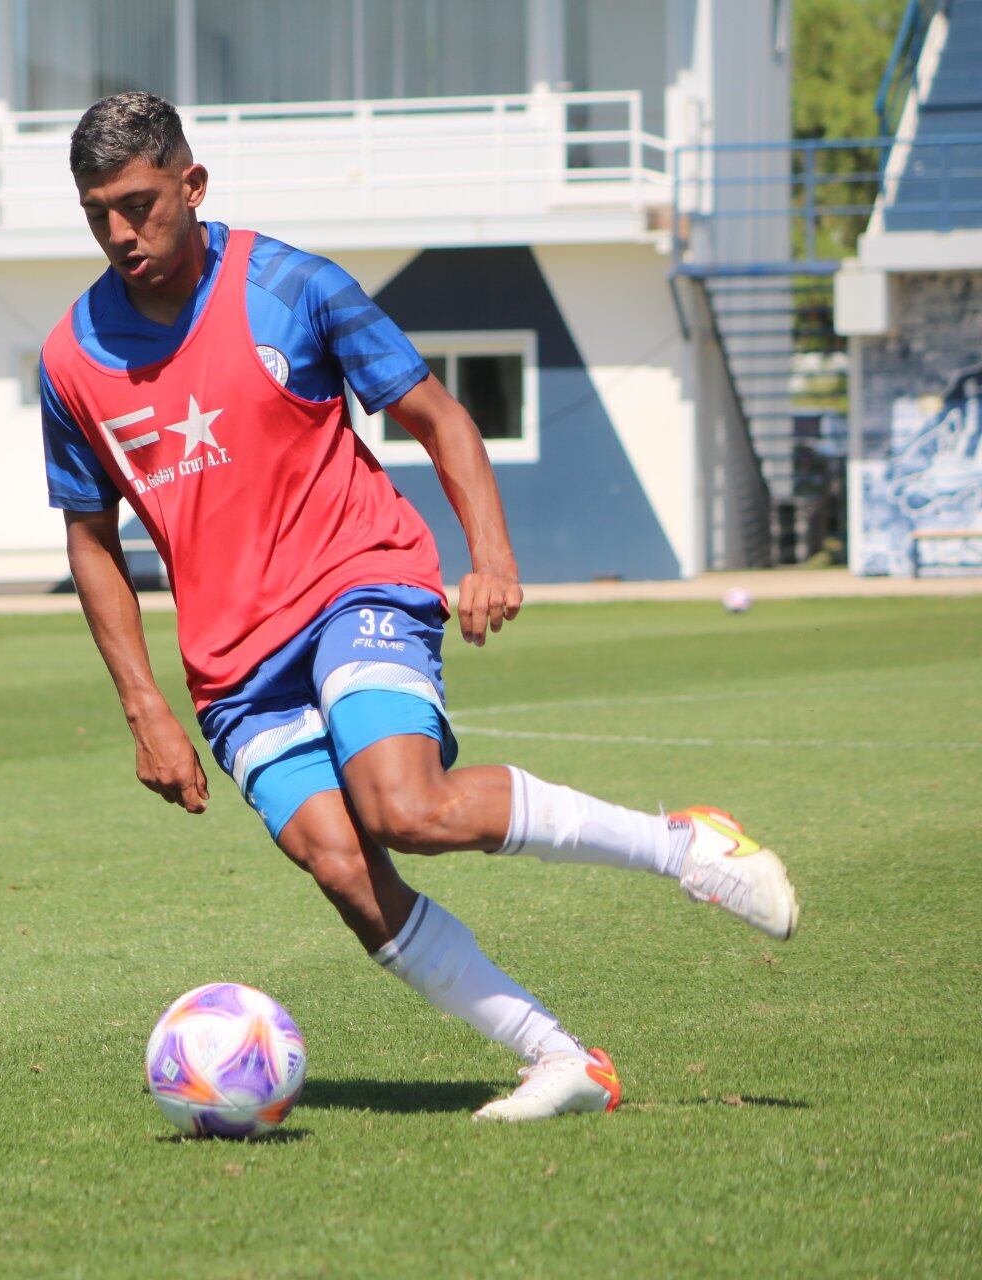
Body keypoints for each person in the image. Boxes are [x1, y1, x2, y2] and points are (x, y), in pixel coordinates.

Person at [40, 93, 800, 1122]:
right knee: (346, 869)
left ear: (192, 183)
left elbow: (437, 415)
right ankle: (562, 1059)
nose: (123, 233)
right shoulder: (72, 358)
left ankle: (686, 846)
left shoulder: (293, 284)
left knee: (406, 803)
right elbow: (91, 538)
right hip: (232, 661)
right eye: (99, 214)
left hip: (359, 578)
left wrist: (489, 553)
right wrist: (144, 708)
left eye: (140, 204)